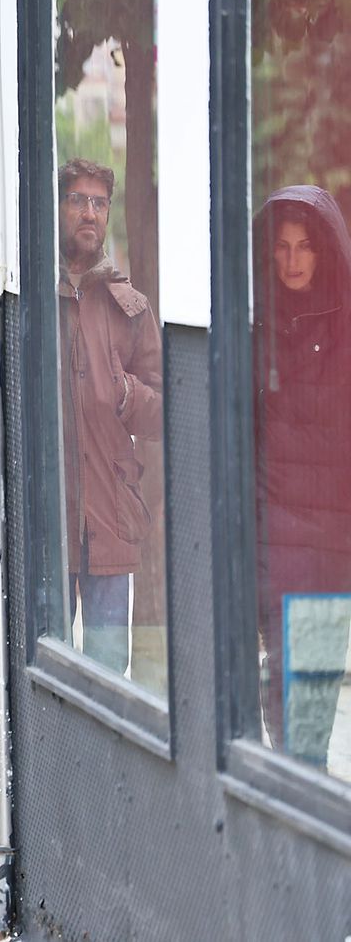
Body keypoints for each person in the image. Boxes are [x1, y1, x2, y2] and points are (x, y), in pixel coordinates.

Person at [252, 186, 351, 766]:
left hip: (330, 534)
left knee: (317, 663)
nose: (292, 261)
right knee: (283, 664)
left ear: (323, 252)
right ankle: (292, 771)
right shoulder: (254, 321)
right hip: (274, 533)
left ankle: (301, 774)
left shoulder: (345, 328)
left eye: (304, 248)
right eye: (282, 247)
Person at [56, 157, 163, 676]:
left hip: (112, 517)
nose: (89, 212)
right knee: (45, 673)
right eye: (77, 199)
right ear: (57, 207)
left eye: (99, 203)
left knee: (105, 678)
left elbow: (164, 410)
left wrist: (127, 394)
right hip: (48, 520)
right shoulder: (32, 299)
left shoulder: (131, 307)